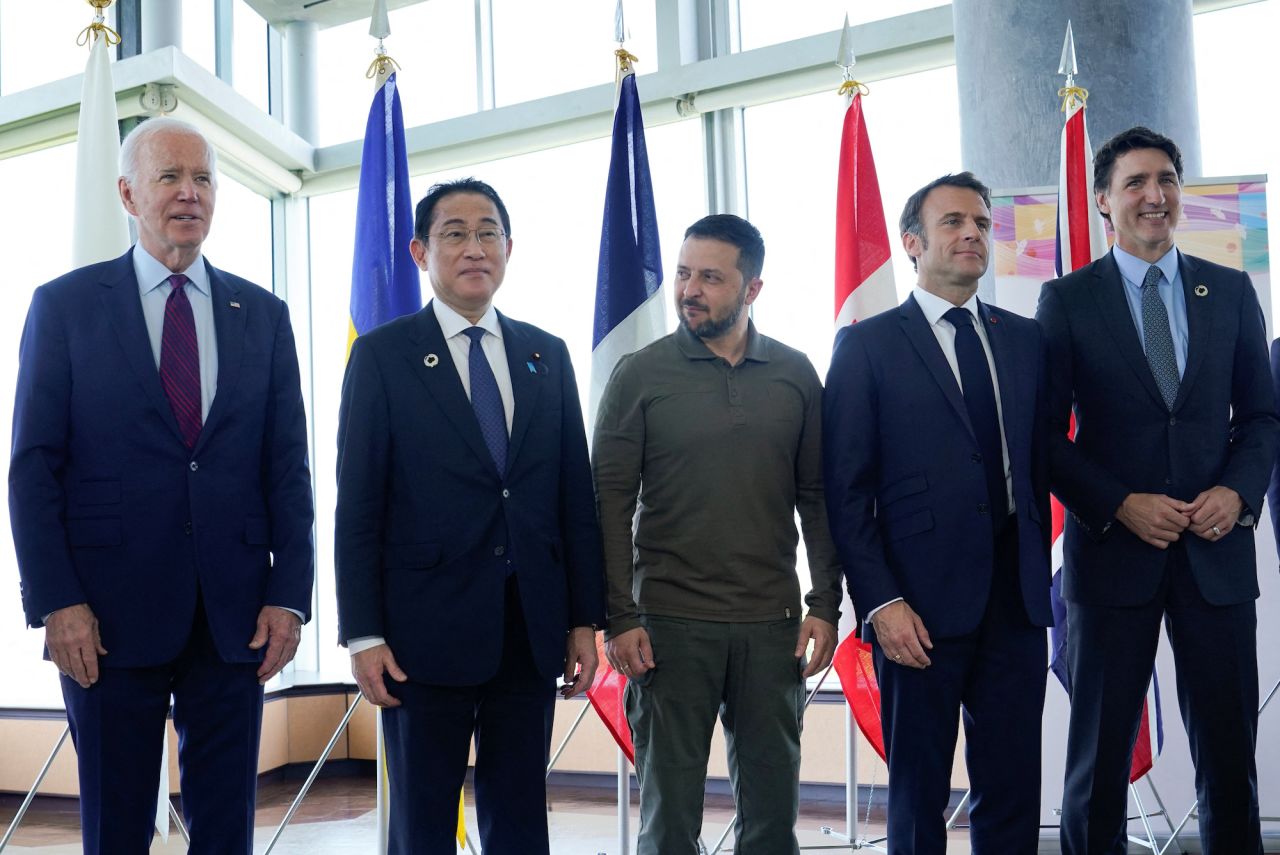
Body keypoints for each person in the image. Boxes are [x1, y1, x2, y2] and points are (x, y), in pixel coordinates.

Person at [8, 117, 314, 854]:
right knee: (115, 829)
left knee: (226, 828)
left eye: (203, 179)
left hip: (234, 616)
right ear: (127, 192)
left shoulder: (262, 316)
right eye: (170, 177)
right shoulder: (66, 307)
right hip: (104, 621)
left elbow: (287, 468)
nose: (189, 194)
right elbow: (32, 467)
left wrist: (290, 595)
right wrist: (57, 601)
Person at [334, 178, 605, 854]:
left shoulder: (547, 354)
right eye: (455, 232)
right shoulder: (383, 355)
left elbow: (574, 495)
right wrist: (362, 631)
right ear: (422, 250)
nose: (474, 246)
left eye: (488, 232)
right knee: (423, 823)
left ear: (509, 248)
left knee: (519, 819)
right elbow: (359, 502)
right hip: (422, 634)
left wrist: (583, 618)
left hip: (528, 626)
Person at [1038, 126, 1277, 855]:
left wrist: (1236, 495)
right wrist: (1118, 503)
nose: (1155, 194)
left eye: (1167, 179)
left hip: (1216, 556)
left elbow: (1263, 417)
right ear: (1104, 201)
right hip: (1113, 558)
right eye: (1136, 182)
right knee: (1098, 766)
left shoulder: (1230, 292)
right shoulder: (1067, 300)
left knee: (1230, 763)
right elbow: (1044, 436)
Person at [593, 214, 842, 855]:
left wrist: (823, 606)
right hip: (668, 628)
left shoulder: (795, 375)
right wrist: (620, 617)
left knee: (769, 824)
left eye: (710, 276)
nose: (689, 290)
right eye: (683, 273)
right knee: (669, 824)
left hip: (773, 627)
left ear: (752, 288)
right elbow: (609, 505)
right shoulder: (638, 375)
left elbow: (816, 498)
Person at [824, 173, 1052, 854]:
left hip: (1016, 600)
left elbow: (1042, 460)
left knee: (1013, 787)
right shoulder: (868, 346)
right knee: (919, 793)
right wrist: (881, 600)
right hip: (916, 609)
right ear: (913, 243)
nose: (972, 235)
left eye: (981, 223)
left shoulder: (1024, 341)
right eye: (953, 222)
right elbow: (845, 490)